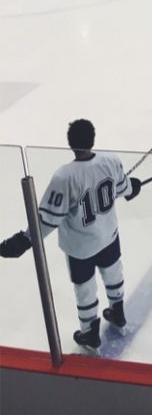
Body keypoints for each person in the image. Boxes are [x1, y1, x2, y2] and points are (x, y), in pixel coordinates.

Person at [0, 119, 142, 351]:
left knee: (85, 289)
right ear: (92, 139)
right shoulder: (110, 160)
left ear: (70, 144)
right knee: (113, 273)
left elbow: (49, 219)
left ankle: (90, 334)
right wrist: (133, 187)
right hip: (109, 236)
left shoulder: (64, 177)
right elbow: (124, 188)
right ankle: (118, 313)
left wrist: (26, 239)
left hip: (80, 248)